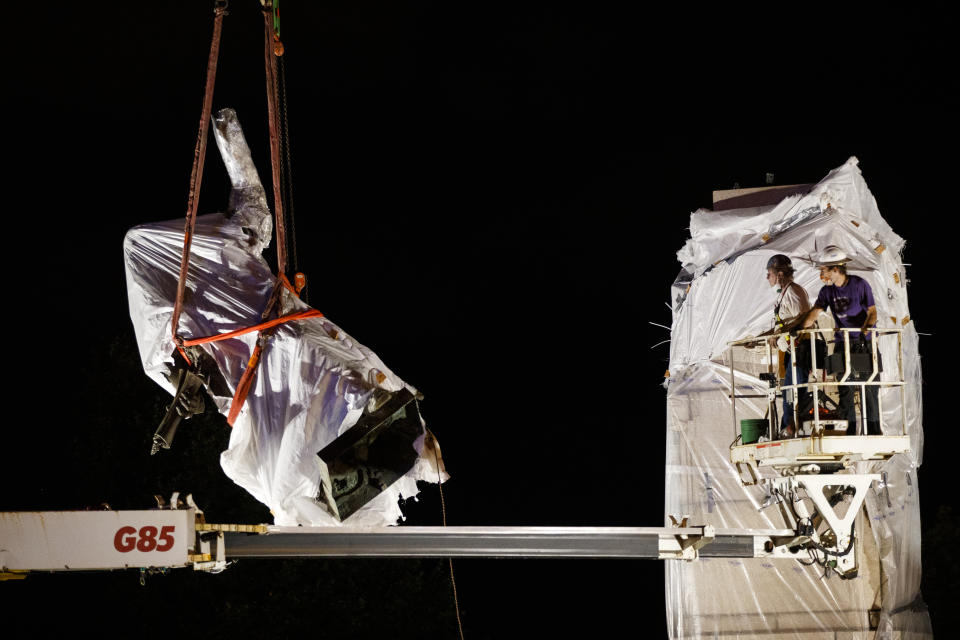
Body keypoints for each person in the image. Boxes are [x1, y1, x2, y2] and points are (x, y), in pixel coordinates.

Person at [797, 246, 880, 435]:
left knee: (869, 386)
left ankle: (874, 428)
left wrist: (864, 330)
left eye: (824, 270)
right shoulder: (827, 292)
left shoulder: (859, 284)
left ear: (836, 269)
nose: (822, 274)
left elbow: (872, 312)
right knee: (844, 386)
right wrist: (800, 328)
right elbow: (815, 312)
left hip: (864, 343)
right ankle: (850, 428)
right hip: (843, 342)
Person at [761, 254, 811, 436]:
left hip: (801, 349)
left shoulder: (794, 291)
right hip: (791, 352)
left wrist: (778, 333)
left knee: (792, 392)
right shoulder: (784, 294)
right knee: (789, 392)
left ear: (780, 273)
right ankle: (787, 427)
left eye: (770, 273)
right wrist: (760, 337)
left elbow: (805, 319)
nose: (768, 277)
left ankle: (789, 428)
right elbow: (781, 325)